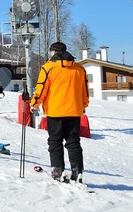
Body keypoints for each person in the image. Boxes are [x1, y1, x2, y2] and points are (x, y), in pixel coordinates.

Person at [30, 42, 89, 183]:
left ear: (54, 52)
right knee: (73, 141)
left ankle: (58, 170)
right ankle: (77, 171)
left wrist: (34, 104)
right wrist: (83, 105)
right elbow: (85, 90)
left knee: (55, 141)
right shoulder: (79, 69)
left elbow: (41, 89)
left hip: (55, 111)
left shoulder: (48, 68)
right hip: (74, 111)